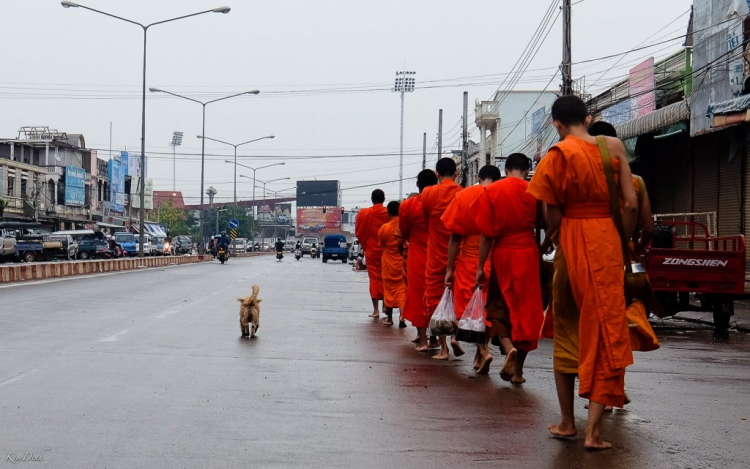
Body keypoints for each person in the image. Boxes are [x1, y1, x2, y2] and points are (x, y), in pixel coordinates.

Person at [527, 95, 638, 451]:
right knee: (607, 329)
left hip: (571, 244)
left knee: (566, 330)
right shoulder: (614, 148)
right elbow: (631, 203)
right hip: (607, 242)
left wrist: (560, 237)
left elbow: (550, 214)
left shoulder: (557, 155)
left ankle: (566, 422)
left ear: (557, 124)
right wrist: (622, 240)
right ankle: (594, 433)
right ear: (587, 119)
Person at [474, 155, 544, 383]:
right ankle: (518, 372)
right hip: (528, 251)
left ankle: (507, 345)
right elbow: (550, 223)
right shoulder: (535, 190)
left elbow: (486, 234)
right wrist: (543, 246)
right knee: (526, 308)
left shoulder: (493, 191)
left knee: (499, 303)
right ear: (528, 169)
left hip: (502, 250)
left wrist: (479, 266)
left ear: (505, 169)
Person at [442, 164, 501, 373]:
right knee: (485, 310)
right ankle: (478, 358)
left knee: (465, 311)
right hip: (495, 259)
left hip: (469, 261)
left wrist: (450, 268)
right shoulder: (500, 196)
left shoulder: (465, 196)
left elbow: (455, 236)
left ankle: (483, 351)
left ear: (478, 177)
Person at [421, 158, 463, 360]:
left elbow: (426, 215)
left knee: (436, 300)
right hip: (458, 254)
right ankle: (456, 336)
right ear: (455, 173)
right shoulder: (463, 192)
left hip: (436, 253)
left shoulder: (429, 193)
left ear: (437, 174)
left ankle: (444, 349)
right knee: (456, 298)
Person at [399, 170, 439, 351]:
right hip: (438, 252)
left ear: (418, 185)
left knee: (418, 295)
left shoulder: (409, 205)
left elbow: (404, 230)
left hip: (417, 254)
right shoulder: (440, 202)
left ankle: (423, 339)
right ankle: (435, 338)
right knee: (435, 294)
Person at [355, 190, 390, 318]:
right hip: (387, 249)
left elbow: (359, 231)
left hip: (371, 250)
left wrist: (365, 245)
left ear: (371, 199)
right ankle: (386, 304)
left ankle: (376, 310)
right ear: (384, 199)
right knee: (387, 277)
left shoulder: (365, 213)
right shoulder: (388, 213)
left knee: (374, 279)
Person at [378, 201, 406, 326]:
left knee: (388, 290)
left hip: (388, 262)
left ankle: (389, 318)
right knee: (402, 290)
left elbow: (382, 245)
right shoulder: (404, 226)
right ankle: (402, 316)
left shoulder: (385, 228)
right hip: (402, 261)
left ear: (388, 212)